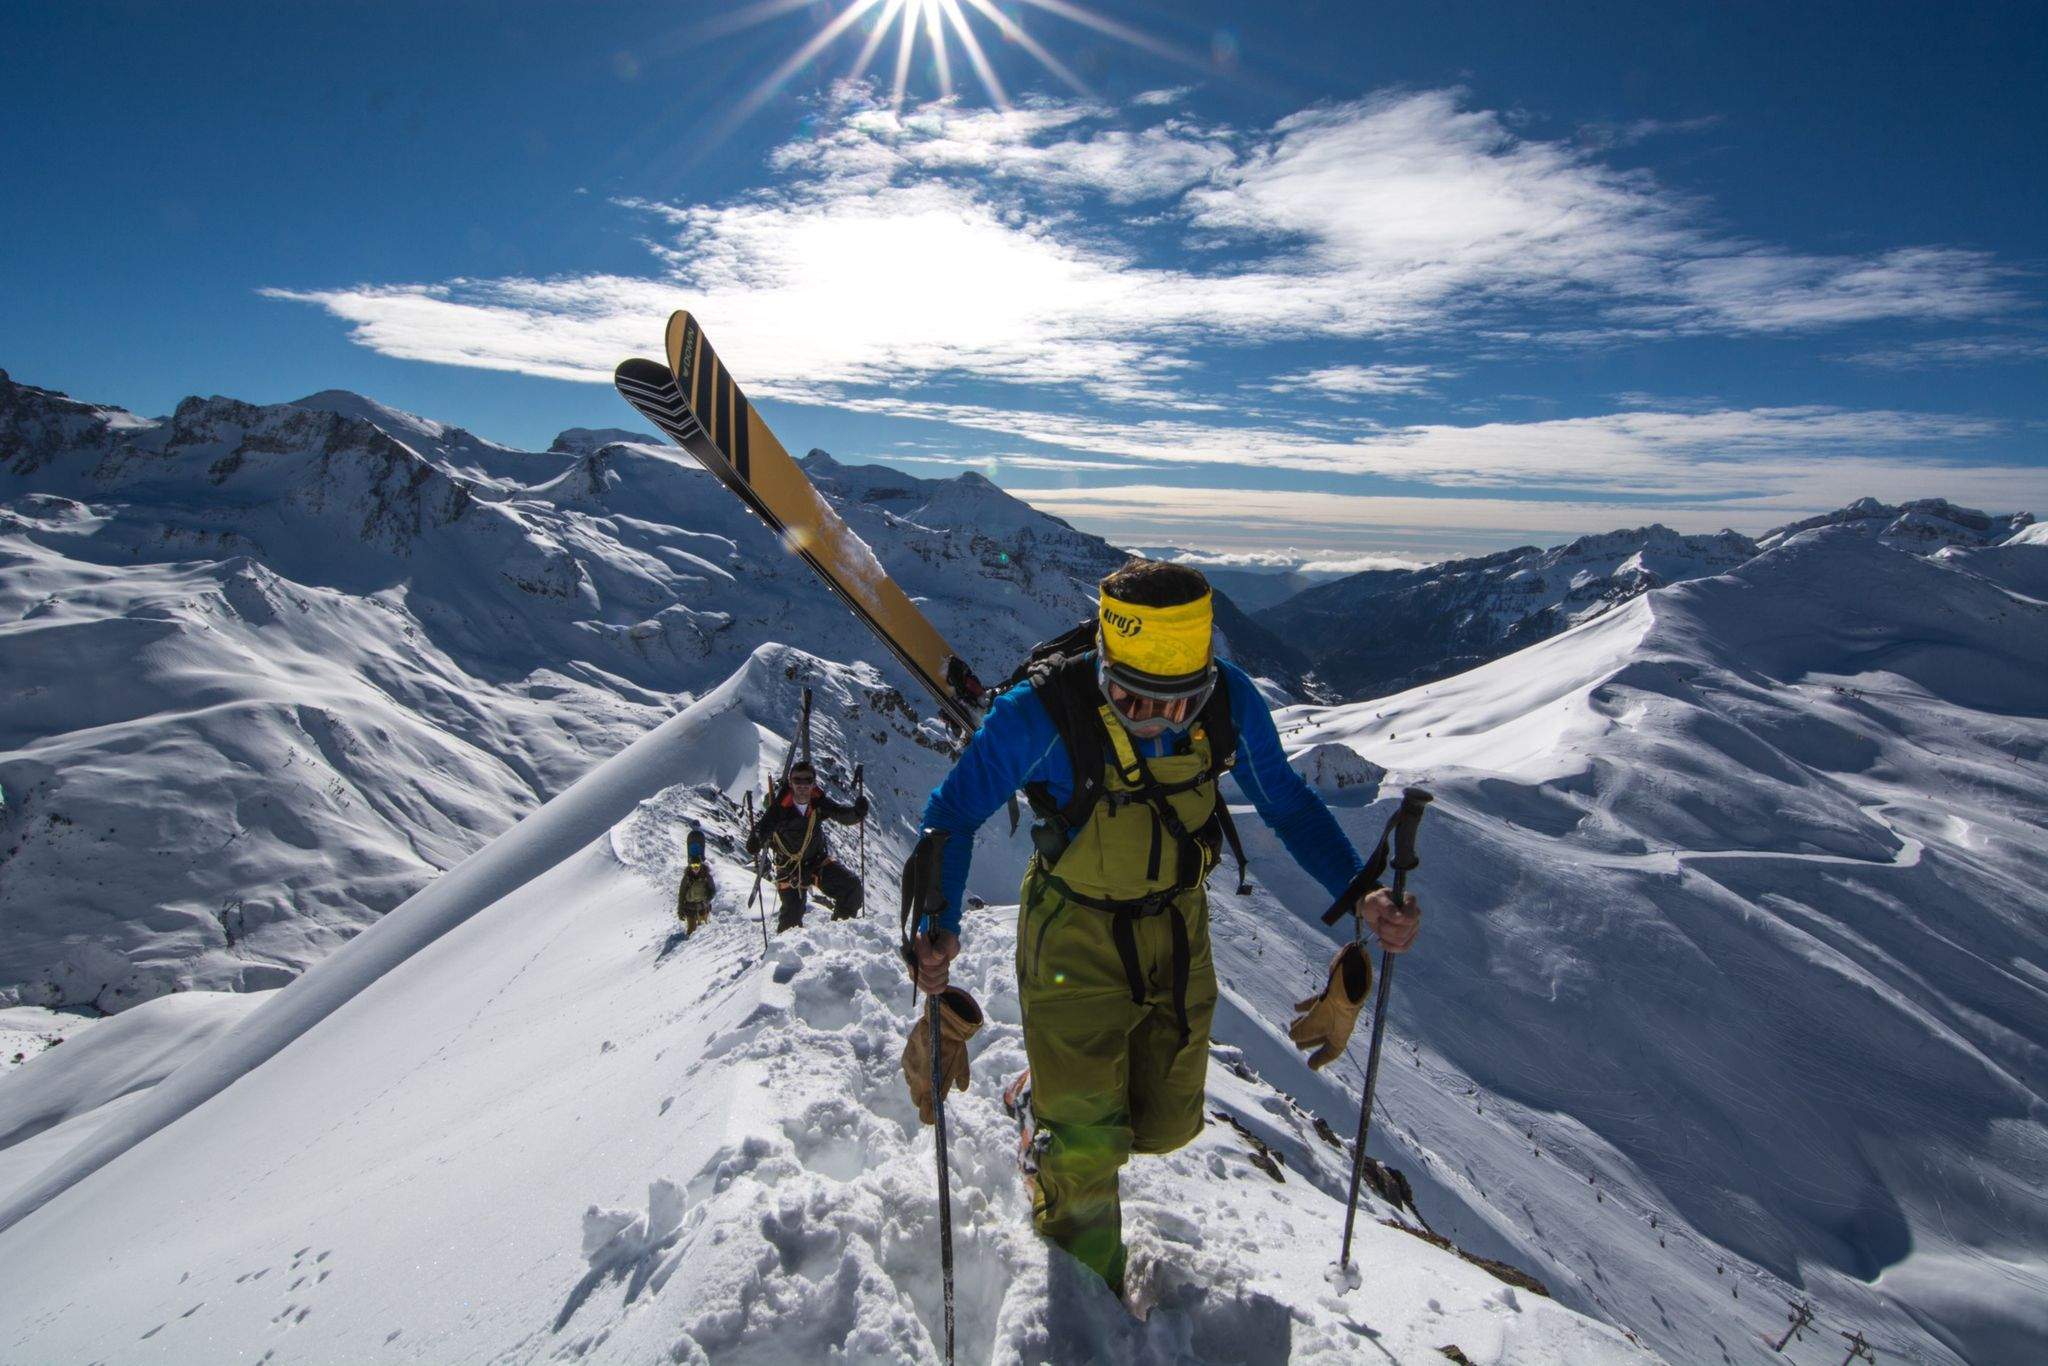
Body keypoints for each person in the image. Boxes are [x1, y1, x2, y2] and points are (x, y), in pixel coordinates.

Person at [900, 558, 1422, 1295]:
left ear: (1205, 682)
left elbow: (1290, 805)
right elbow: (950, 815)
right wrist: (938, 925)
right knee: (1085, 1151)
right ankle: (1091, 1295)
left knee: (1166, 1124)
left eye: (1177, 705)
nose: (1155, 722)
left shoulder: (1231, 703)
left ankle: (1041, 1089)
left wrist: (1363, 893)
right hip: (1072, 938)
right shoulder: (1041, 714)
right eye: (1130, 700)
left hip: (1177, 933)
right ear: (1103, 668)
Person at [747, 759, 868, 931]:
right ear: (791, 782)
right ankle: (783, 953)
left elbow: (840, 814)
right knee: (792, 917)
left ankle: (839, 935)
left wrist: (856, 813)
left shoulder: (818, 801)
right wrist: (756, 839)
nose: (802, 785)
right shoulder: (781, 806)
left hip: (816, 862)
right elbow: (765, 826)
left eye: (807, 780)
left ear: (813, 783)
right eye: (798, 780)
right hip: (790, 868)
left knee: (852, 889)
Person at [676, 827, 715, 935]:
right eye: (693, 865)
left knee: (704, 931)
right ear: (690, 865)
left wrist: (708, 898)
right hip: (690, 907)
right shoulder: (687, 877)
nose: (695, 867)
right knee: (691, 930)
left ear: (701, 865)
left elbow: (712, 889)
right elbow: (682, 894)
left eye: (697, 865)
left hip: (703, 906)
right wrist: (680, 910)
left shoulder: (706, 875)